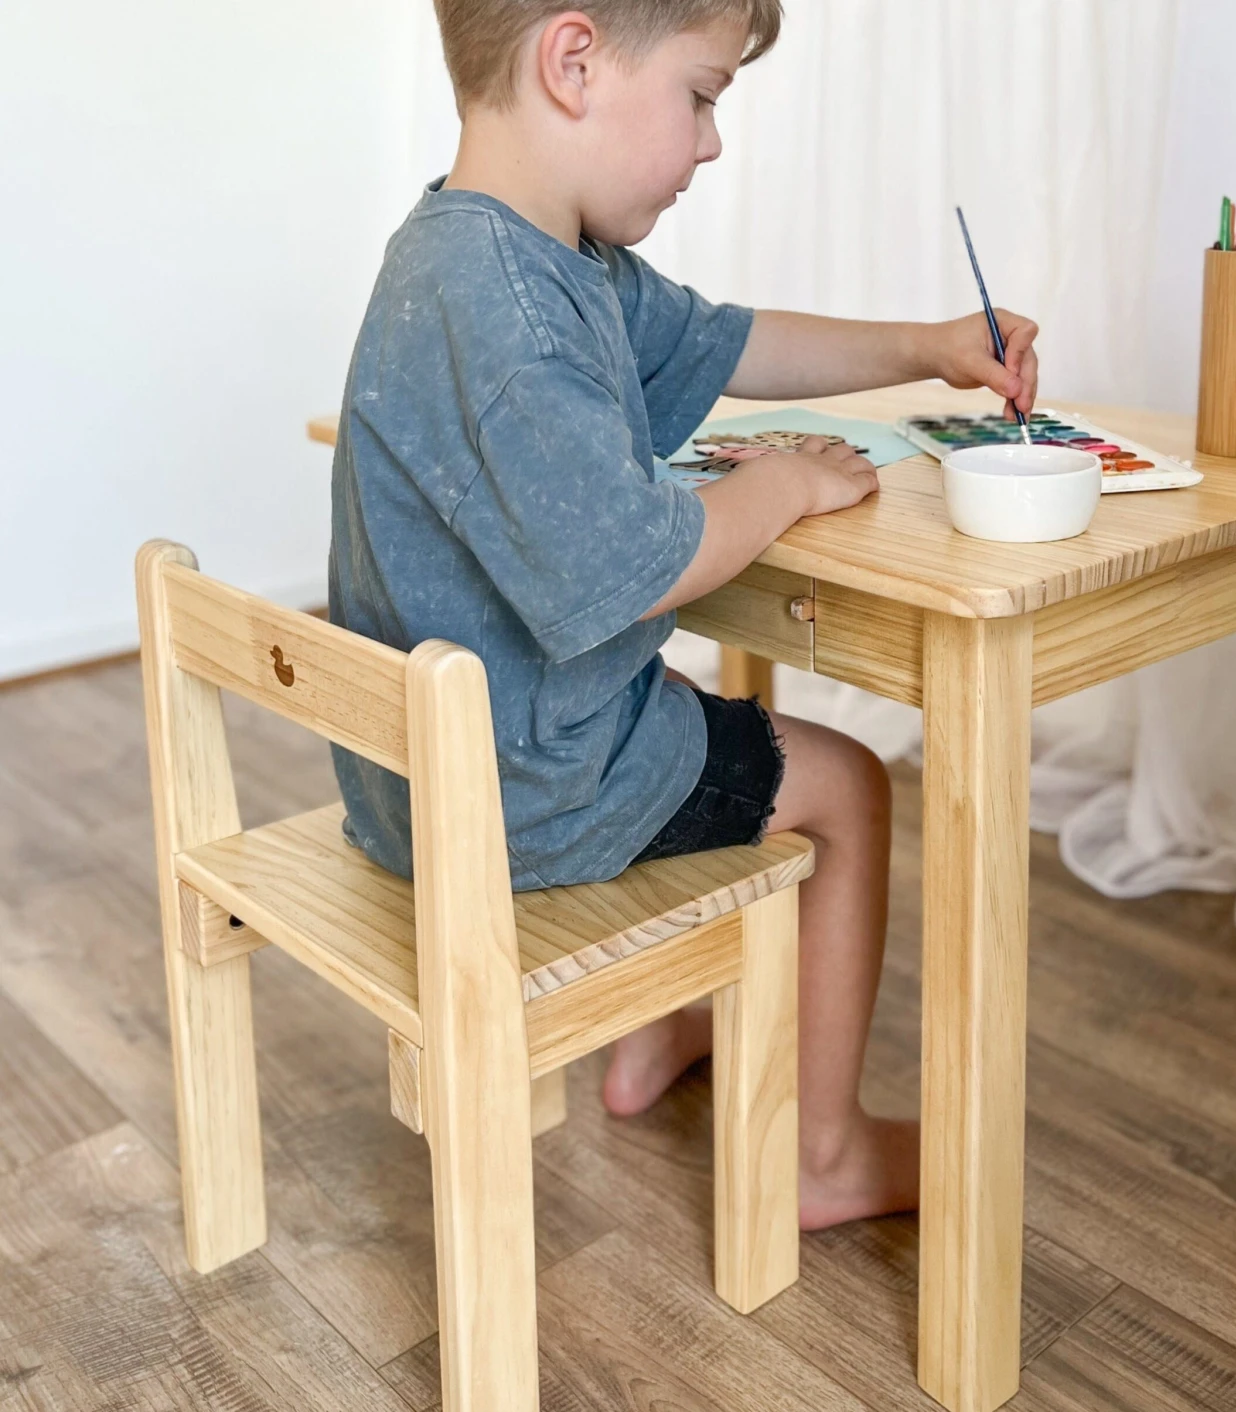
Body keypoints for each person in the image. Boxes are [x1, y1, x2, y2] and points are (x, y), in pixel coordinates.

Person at [330, 0, 1039, 1230]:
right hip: (521, 797)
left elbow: (731, 341)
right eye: (703, 97)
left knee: (684, 712)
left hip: (419, 778)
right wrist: (781, 484)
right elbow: (638, 567)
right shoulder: (514, 308)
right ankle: (821, 1157)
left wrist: (930, 344)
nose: (712, 144)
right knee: (848, 787)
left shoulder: (502, 255)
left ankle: (659, 1038)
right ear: (574, 62)